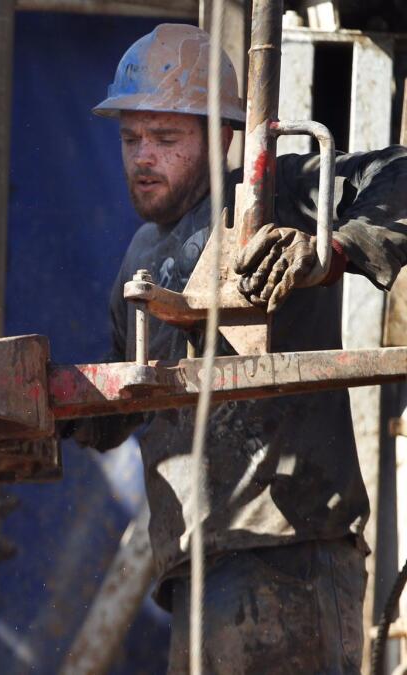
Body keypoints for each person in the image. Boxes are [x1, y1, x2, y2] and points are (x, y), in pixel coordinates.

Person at [69, 23, 407, 673]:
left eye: (166, 139)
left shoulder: (273, 193)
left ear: (223, 133)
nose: (143, 156)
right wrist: (45, 417)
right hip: (195, 567)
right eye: (130, 138)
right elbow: (125, 407)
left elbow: (402, 177)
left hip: (289, 551)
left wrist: (328, 249)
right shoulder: (138, 258)